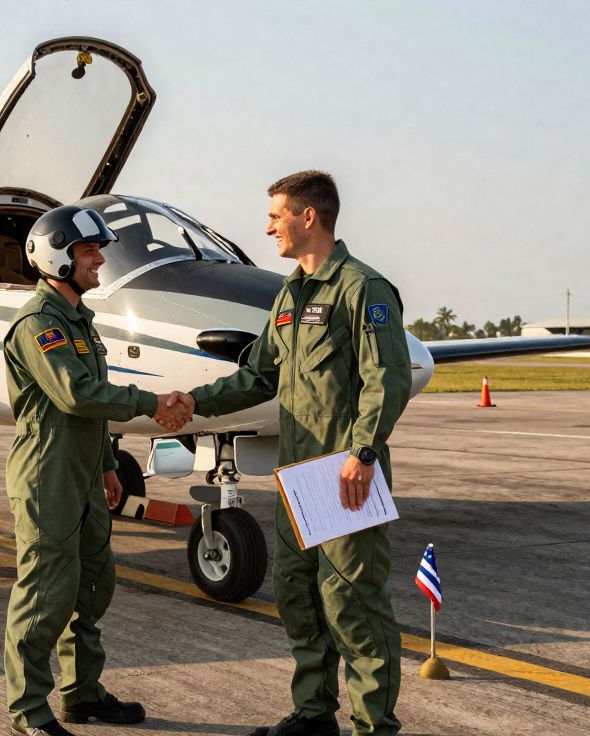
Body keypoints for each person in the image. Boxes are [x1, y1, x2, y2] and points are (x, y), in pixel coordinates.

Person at [171, 171, 412, 736]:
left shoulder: (362, 288)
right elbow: (257, 376)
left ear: (309, 217)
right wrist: (191, 402)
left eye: (276, 215)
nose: (267, 227)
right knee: (298, 596)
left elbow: (388, 378)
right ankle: (313, 713)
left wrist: (364, 452)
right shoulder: (290, 294)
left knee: (352, 604)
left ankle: (375, 725)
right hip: (299, 477)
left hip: (346, 472)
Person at [2, 205, 190, 736]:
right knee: (44, 595)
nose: (99, 259)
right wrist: (153, 402)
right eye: (89, 251)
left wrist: (108, 464)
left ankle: (81, 695)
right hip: (49, 477)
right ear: (58, 257)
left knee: (90, 586)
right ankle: (29, 711)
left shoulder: (79, 320)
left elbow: (92, 411)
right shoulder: (39, 323)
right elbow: (78, 394)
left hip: (84, 473)